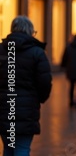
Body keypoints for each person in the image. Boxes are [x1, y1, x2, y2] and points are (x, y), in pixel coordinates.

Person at [0, 16, 52, 155]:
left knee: (8, 148)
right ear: (29, 31)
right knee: (22, 149)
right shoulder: (37, 53)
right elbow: (45, 83)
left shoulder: (1, 50)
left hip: (4, 109)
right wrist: (39, 98)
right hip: (27, 110)